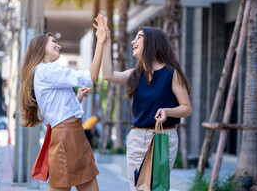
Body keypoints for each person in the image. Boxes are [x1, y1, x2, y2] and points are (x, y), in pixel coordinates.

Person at [94, 16, 192, 191]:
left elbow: (186, 108)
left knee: (156, 188)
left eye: (139, 37)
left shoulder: (171, 74)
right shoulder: (135, 74)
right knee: (137, 187)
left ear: (153, 43)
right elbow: (108, 75)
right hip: (137, 138)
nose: (133, 41)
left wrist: (168, 112)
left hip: (163, 138)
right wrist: (106, 41)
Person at [19, 14, 109, 191]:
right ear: (40, 48)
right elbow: (90, 77)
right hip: (68, 135)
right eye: (52, 41)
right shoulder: (47, 70)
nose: (58, 45)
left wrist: (77, 99)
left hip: (70, 134)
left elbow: (57, 109)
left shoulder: (44, 73)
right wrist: (100, 41)